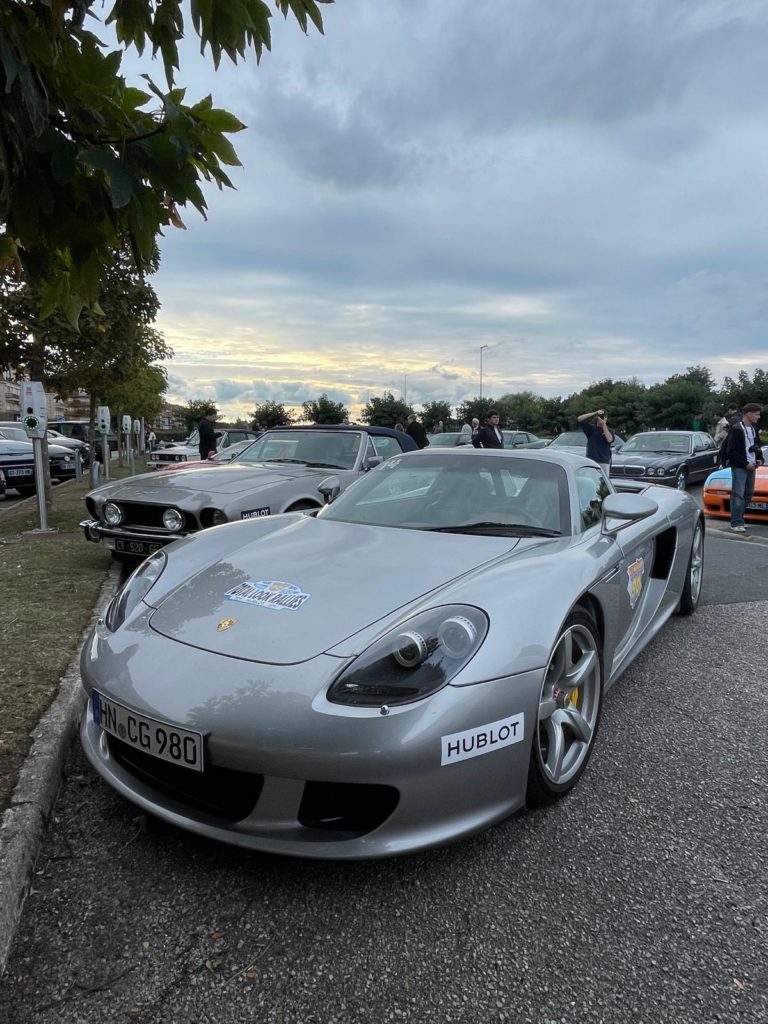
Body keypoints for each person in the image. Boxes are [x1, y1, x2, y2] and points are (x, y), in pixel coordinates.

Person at [724, 403, 764, 534]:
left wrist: (760, 459)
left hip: (752, 466)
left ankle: (739, 519)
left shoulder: (754, 429)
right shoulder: (736, 429)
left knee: (748, 493)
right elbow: (731, 451)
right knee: (738, 494)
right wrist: (745, 463)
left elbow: (757, 446)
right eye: (757, 414)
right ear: (749, 413)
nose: (759, 417)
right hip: (740, 466)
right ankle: (736, 522)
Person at [576, 408, 616, 475]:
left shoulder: (610, 430)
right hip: (591, 460)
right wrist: (595, 412)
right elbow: (580, 419)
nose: (601, 419)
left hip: (603, 461)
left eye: (603, 417)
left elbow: (609, 440)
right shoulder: (591, 429)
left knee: (603, 483)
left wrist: (604, 425)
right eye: (600, 417)